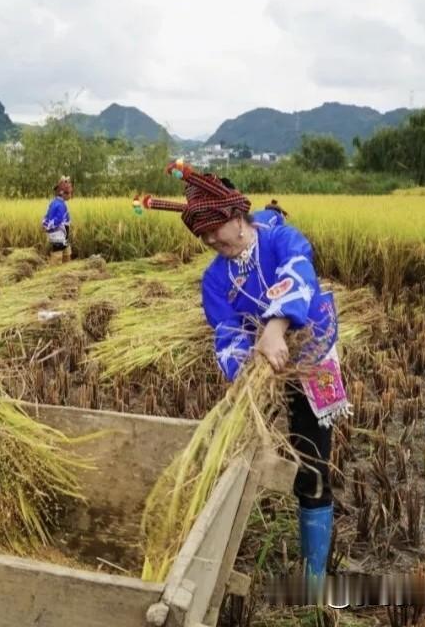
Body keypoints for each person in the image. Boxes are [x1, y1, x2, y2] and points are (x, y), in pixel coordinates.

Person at [137, 160, 349, 584]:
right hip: (259, 367)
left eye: (216, 229)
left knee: (312, 462)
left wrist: (275, 329)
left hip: (311, 352)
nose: (212, 239)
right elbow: (227, 331)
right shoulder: (215, 278)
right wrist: (242, 377)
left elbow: (299, 274)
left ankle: (313, 577)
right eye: (203, 236)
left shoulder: (281, 240)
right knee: (247, 448)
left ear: (237, 217)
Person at [42, 175, 73, 265]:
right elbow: (57, 219)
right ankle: (55, 272)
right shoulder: (60, 205)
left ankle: (66, 270)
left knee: (67, 252)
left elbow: (47, 216)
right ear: (62, 193)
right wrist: (48, 225)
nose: (70, 196)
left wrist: (45, 224)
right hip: (58, 235)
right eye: (68, 193)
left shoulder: (55, 202)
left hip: (62, 234)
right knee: (58, 255)